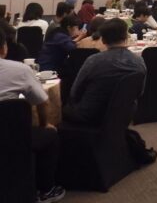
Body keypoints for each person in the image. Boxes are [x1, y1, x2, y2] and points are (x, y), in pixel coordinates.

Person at [0, 30, 66, 203]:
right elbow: (42, 102)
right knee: (50, 135)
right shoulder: (20, 70)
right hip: (15, 138)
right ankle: (46, 189)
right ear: (4, 48)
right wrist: (44, 124)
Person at [63, 18, 146, 125]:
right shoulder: (139, 61)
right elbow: (140, 92)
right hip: (123, 114)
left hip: (91, 115)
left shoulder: (93, 61)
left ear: (103, 40)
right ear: (126, 37)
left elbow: (74, 92)